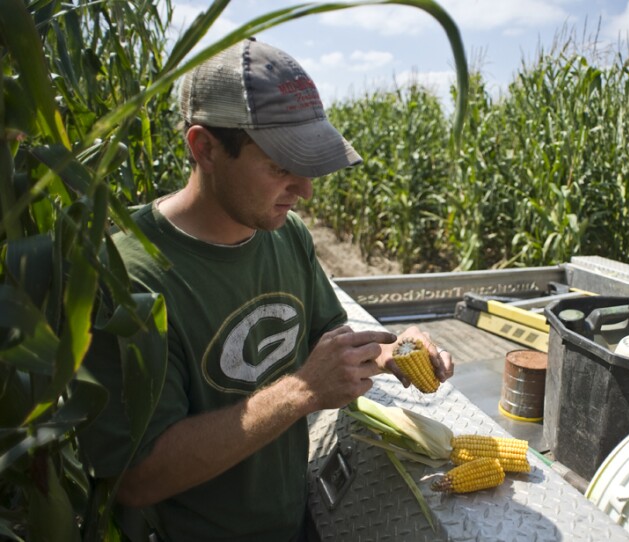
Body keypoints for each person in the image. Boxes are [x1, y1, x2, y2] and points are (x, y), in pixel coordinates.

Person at [77, 37, 453, 541]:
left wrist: (392, 351)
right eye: (280, 166)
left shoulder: (286, 235)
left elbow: (327, 335)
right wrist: (300, 392)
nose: (305, 189)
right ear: (204, 148)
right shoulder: (130, 275)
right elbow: (138, 478)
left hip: (291, 521)